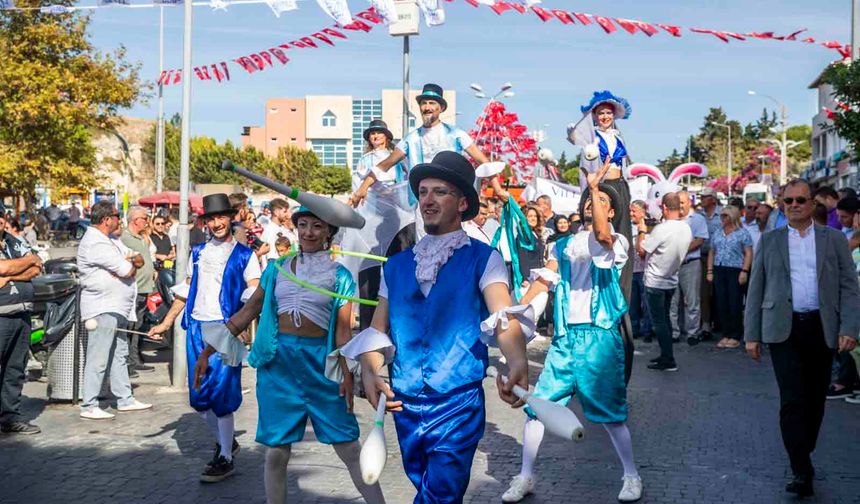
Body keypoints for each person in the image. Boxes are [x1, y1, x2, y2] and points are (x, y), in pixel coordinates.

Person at [342, 151, 530, 503]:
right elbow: (378, 331)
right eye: (423, 191)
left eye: (439, 192)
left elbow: (503, 314)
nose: (427, 200)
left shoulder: (483, 257)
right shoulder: (395, 265)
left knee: (440, 494)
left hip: (458, 402)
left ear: (461, 203)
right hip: (405, 402)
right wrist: (370, 371)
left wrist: (516, 359)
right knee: (427, 487)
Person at [221, 206, 385, 504]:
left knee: (348, 447)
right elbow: (250, 309)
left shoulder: (341, 277)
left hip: (321, 367)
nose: (308, 232)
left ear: (329, 233)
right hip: (278, 366)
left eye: (317, 227)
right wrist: (212, 346)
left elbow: (344, 333)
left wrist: (347, 375)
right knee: (276, 452)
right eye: (304, 225)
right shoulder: (277, 268)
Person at [503, 160, 642, 503]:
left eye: (600, 203)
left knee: (611, 415)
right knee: (537, 408)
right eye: (588, 200)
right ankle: (525, 476)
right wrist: (514, 311)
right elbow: (545, 279)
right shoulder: (562, 245)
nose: (591, 204)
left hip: (600, 338)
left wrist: (596, 189)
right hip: (566, 339)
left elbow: (602, 237)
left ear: (611, 211)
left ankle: (631, 475)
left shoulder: (618, 242)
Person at [744, 179, 860, 498]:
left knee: (815, 400)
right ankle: (800, 467)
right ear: (782, 204)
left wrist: (849, 328)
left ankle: (802, 449)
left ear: (812, 205)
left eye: (800, 200)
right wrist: (751, 335)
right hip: (784, 329)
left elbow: (850, 286)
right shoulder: (770, 240)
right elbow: (756, 287)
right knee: (792, 398)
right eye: (788, 200)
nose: (794, 205)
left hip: (822, 327)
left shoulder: (834, 239)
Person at [148, 193, 261, 483]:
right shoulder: (197, 253)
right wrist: (166, 322)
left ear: (230, 218)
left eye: (221, 217)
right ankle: (227, 443)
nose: (217, 223)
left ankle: (224, 457)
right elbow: (186, 290)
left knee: (222, 395)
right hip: (196, 328)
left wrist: (242, 319)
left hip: (226, 329)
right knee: (198, 399)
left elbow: (254, 289)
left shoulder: (245, 256)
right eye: (211, 219)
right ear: (206, 222)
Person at [348, 83, 509, 232]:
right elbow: (385, 165)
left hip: (451, 203)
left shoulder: (456, 135)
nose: (427, 107)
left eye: (432, 103)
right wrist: (362, 189)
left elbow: (484, 161)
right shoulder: (411, 139)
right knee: (426, 252)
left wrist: (498, 189)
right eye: (423, 103)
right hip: (423, 207)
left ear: (441, 108)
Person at [77, 201, 152, 420]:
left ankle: (124, 399)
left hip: (118, 307)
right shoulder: (95, 243)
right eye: (116, 216)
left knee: (119, 354)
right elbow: (128, 269)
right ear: (106, 219)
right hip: (103, 307)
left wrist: (129, 263)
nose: (119, 219)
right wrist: (127, 265)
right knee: (98, 357)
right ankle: (89, 404)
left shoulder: (111, 241)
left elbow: (136, 257)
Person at [341, 119, 415, 331]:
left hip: (397, 218)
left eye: (379, 133)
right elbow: (360, 186)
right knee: (368, 271)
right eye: (372, 134)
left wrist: (389, 193)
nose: (375, 137)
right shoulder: (365, 160)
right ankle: (367, 328)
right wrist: (366, 193)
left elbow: (403, 183)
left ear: (387, 137)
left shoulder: (398, 158)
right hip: (371, 220)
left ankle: (401, 324)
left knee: (399, 268)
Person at [567, 90, 634, 297]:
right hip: (603, 187)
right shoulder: (592, 139)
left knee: (623, 237)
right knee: (604, 233)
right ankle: (604, 286)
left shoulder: (617, 135)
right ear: (594, 115)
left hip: (620, 186)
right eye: (601, 113)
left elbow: (623, 164)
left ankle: (623, 288)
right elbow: (586, 171)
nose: (605, 117)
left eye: (608, 113)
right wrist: (588, 197)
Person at [638, 193, 693, 371]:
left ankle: (668, 359)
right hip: (671, 280)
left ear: (664, 208)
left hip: (656, 281)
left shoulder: (662, 229)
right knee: (666, 321)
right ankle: (666, 355)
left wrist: (641, 230)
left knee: (660, 322)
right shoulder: (686, 228)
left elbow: (641, 250)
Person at [0, 208, 42, 435]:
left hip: (21, 314)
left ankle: (10, 417)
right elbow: (2, 266)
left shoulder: (13, 242)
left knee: (14, 370)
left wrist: (9, 276)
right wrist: (21, 264)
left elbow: (36, 266)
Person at [706, 206, 753, 349]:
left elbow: (748, 253)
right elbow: (712, 252)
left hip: (735, 269)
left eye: (725, 215)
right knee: (721, 302)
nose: (722, 218)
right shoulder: (718, 233)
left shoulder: (742, 233)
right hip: (720, 268)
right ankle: (725, 333)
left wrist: (744, 270)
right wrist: (710, 270)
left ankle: (735, 334)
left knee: (735, 302)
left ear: (733, 216)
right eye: (721, 216)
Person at [119, 206, 157, 376]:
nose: (147, 221)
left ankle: (135, 358)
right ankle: (128, 361)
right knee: (130, 325)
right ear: (135, 220)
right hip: (133, 288)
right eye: (144, 218)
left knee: (138, 323)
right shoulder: (125, 238)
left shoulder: (141, 237)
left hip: (144, 288)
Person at [670, 191, 710, 346]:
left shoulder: (698, 219)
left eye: (682, 202)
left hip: (690, 264)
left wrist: (682, 249)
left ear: (689, 203)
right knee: (673, 300)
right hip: (673, 264)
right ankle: (674, 332)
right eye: (677, 202)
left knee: (692, 300)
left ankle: (692, 332)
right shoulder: (672, 219)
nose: (679, 205)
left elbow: (700, 239)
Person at [697, 187, 722, 340]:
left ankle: (720, 322)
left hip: (720, 258)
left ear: (713, 199)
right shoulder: (698, 216)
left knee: (719, 292)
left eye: (705, 197)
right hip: (702, 257)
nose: (702, 199)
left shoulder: (723, 214)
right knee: (704, 292)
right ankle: (706, 324)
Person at [629, 201, 653, 342]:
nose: (631, 214)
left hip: (645, 270)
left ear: (643, 212)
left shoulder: (649, 227)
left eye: (634, 211)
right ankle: (634, 328)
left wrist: (641, 231)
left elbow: (642, 251)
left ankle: (647, 330)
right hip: (632, 270)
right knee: (633, 303)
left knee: (646, 303)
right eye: (630, 211)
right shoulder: (629, 227)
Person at [260, 198, 297, 263]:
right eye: (284, 211)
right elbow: (272, 258)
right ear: (276, 213)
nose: (286, 214)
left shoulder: (280, 228)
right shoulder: (271, 231)